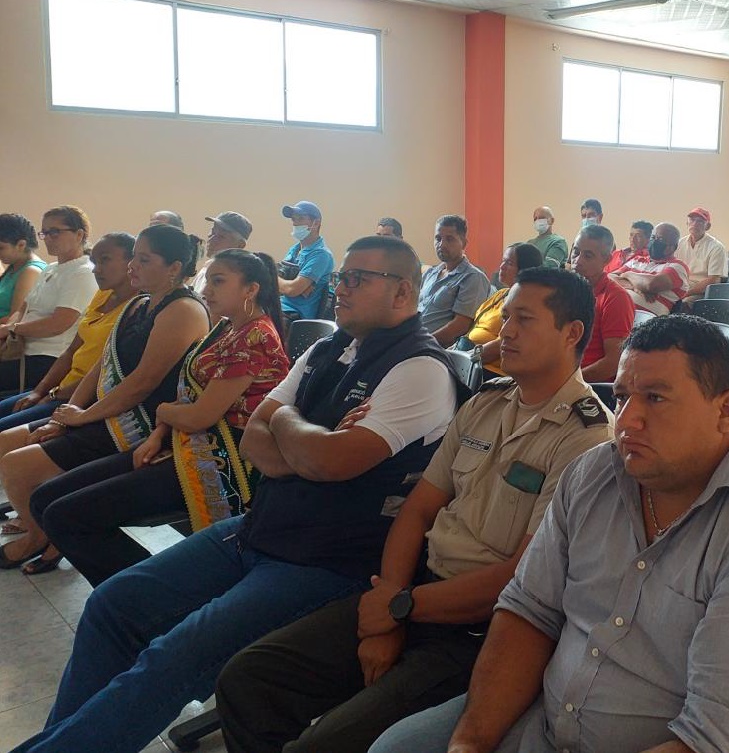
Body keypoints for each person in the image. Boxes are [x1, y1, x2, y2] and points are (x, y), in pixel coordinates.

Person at [8, 236, 458, 753]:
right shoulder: (327, 349)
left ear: (402, 292)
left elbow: (329, 461)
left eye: (358, 278)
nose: (341, 288)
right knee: (113, 605)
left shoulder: (420, 369)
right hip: (260, 529)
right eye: (342, 277)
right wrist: (302, 433)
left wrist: (286, 423)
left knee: (173, 656)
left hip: (326, 560)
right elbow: (255, 443)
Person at [366, 315, 729, 753]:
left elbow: (715, 743)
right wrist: (471, 742)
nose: (626, 421)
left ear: (726, 412)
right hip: (546, 726)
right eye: (623, 396)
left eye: (655, 398)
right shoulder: (594, 474)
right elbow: (530, 611)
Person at [215, 268, 614, 753]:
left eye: (524, 320)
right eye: (506, 316)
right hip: (414, 593)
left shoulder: (587, 439)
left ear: (572, 333)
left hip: (478, 632)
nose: (506, 331)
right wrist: (393, 602)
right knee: (249, 679)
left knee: (325, 744)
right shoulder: (485, 404)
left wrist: (397, 609)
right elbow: (418, 510)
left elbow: (521, 577)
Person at [32, 250, 290, 586]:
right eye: (209, 280)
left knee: (65, 516)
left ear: (250, 289)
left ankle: (147, 594)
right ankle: (142, 589)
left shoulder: (257, 337)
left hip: (222, 461)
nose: (207, 289)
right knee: (45, 499)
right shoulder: (227, 328)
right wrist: (158, 434)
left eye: (218, 281)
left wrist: (162, 411)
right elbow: (188, 394)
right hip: (182, 443)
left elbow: (199, 416)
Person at [0, 225, 209, 572]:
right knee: (9, 446)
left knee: (19, 466)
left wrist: (83, 417)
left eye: (144, 260)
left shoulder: (184, 310)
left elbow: (142, 383)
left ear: (174, 268)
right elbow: (101, 366)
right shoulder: (139, 304)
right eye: (134, 257)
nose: (132, 266)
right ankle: (43, 535)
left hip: (138, 425)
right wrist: (67, 414)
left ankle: (41, 538)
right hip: (104, 412)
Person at [0, 233, 135, 431]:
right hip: (61, 386)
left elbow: (103, 374)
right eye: (95, 261)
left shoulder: (136, 308)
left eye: (105, 260)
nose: (96, 269)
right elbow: (71, 351)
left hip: (83, 397)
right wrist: (39, 391)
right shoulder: (103, 294)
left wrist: (53, 395)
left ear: (132, 262)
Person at [0, 207, 98, 393]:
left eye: (55, 232)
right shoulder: (50, 268)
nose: (48, 238)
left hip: (47, 358)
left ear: (79, 234)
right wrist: (7, 332)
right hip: (20, 350)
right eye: (44, 233)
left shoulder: (83, 272)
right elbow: (23, 309)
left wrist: (12, 329)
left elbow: (58, 324)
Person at [463, 242, 543, 376]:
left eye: (509, 263)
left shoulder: (527, 304)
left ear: (525, 269)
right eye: (503, 261)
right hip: (469, 356)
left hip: (489, 369)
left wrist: (467, 358)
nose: (502, 267)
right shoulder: (500, 294)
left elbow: (503, 343)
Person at [571, 224, 634, 382]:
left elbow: (613, 362)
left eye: (588, 256)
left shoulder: (616, 298)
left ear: (606, 260)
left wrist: (568, 382)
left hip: (588, 385)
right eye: (576, 252)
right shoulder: (565, 290)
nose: (578, 261)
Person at [419, 215, 492, 346]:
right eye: (438, 238)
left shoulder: (472, 277)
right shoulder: (430, 273)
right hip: (412, 340)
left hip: (434, 349)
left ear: (464, 243)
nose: (442, 244)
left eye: (450, 239)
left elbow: (460, 326)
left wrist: (421, 344)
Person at [609, 222, 690, 316]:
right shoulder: (637, 260)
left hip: (644, 320)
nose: (654, 241)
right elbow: (609, 277)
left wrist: (627, 274)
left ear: (673, 247)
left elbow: (651, 285)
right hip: (614, 309)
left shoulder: (677, 266)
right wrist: (634, 286)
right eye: (653, 237)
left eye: (660, 239)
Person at [278, 200, 334, 321]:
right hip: (281, 305)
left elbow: (292, 289)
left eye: (301, 218)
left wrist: (270, 277)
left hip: (296, 314)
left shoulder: (321, 255)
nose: (296, 223)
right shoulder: (295, 250)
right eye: (294, 219)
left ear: (316, 223)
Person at [674, 206, 728, 301]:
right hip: (682, 285)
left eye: (700, 221)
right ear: (687, 223)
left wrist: (685, 293)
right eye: (692, 220)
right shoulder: (679, 243)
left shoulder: (716, 247)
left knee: (683, 302)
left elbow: (713, 280)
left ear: (708, 226)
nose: (695, 224)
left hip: (702, 291)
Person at [0, 214, 46, 324]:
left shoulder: (31, 271)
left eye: (1, 248)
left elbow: (14, 319)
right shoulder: (14, 266)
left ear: (21, 245)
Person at [192, 211, 252, 294]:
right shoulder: (206, 268)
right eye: (212, 232)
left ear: (240, 245)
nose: (212, 239)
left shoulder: (236, 279)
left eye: (221, 236)